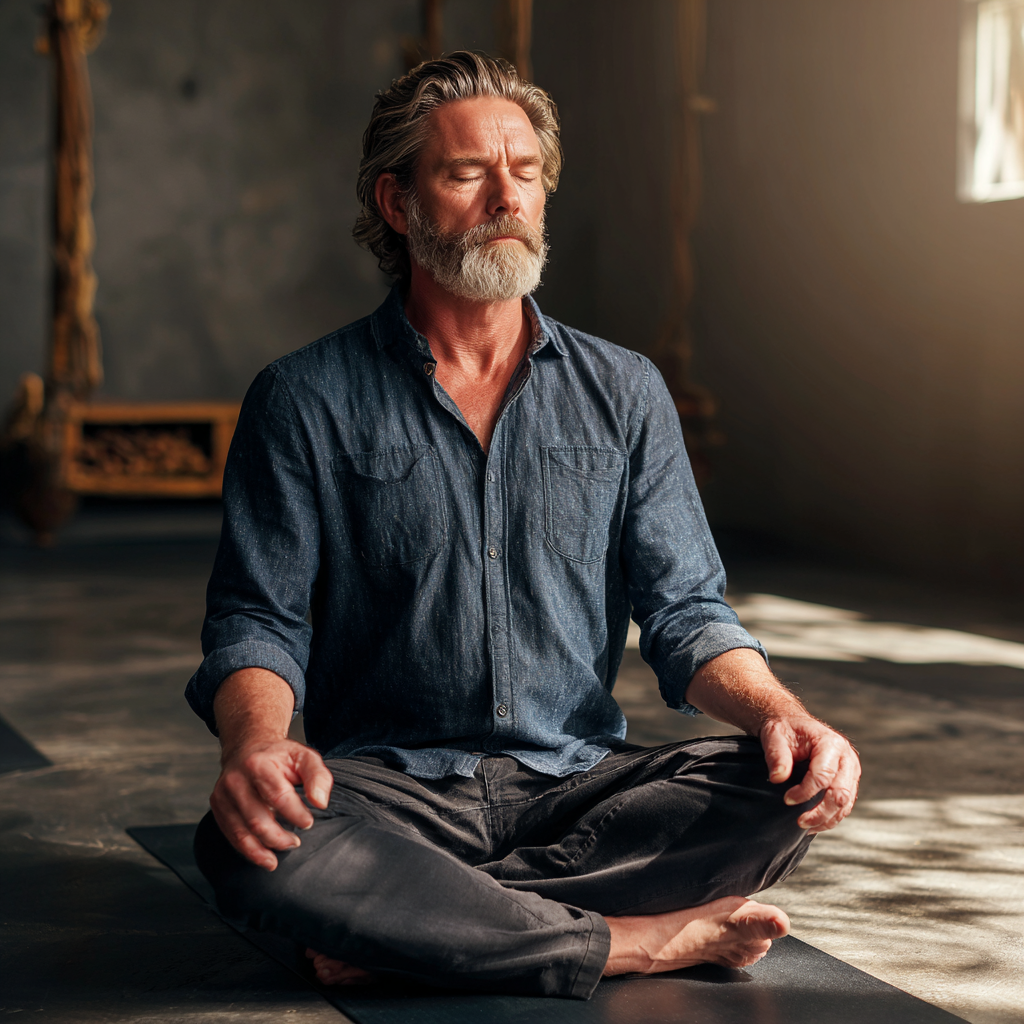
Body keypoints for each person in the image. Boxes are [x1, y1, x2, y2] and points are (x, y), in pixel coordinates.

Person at [186, 51, 860, 1000]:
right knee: (248, 844)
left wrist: (785, 715)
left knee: (774, 787)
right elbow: (260, 621)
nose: (507, 196)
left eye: (527, 172)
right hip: (389, 790)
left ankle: (418, 930)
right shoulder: (302, 398)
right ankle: (634, 941)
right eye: (467, 173)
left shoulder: (624, 390)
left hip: (576, 784)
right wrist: (255, 749)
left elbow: (686, 611)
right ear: (396, 202)